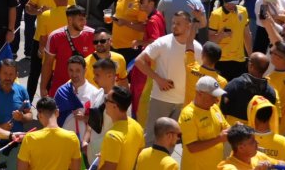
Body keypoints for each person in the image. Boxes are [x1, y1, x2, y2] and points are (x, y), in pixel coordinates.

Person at [134, 11, 201, 142]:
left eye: (178, 24)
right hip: (160, 99)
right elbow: (139, 61)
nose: (174, 26)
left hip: (183, 103)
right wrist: (158, 79)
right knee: (152, 139)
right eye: (173, 23)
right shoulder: (163, 42)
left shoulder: (197, 48)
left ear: (188, 26)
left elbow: (201, 74)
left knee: (172, 141)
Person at [41, 6, 95, 97]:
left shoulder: (93, 35)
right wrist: (43, 87)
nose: (84, 22)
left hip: (85, 90)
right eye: (80, 19)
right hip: (61, 89)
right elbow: (48, 64)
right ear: (70, 20)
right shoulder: (55, 36)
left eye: (85, 19)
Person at [178, 75, 228, 168]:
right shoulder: (188, 115)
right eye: (213, 96)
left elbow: (225, 127)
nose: (217, 100)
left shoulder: (214, 108)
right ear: (200, 93)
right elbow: (192, 147)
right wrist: (219, 139)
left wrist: (236, 129)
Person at [219, 52, 278, 127]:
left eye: (249, 60)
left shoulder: (235, 84)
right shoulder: (271, 92)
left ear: (251, 66)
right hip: (254, 132)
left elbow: (222, 107)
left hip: (232, 129)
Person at [54, 55, 102, 142]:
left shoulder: (94, 93)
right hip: (63, 139)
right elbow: (53, 117)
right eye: (71, 70)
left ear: (85, 70)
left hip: (85, 141)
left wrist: (84, 118)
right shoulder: (61, 91)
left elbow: (99, 121)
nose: (74, 74)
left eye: (78, 70)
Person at [208, 0, 252, 81]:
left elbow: (247, 34)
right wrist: (221, 35)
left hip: (239, 60)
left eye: (234, 2)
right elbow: (210, 40)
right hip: (221, 61)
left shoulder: (243, 11)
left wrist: (250, 55)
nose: (231, 5)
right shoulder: (216, 15)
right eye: (228, 2)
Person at [97, 86, 143, 170]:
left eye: (106, 100)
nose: (104, 103)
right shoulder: (137, 126)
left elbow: (109, 168)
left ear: (115, 106)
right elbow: (138, 157)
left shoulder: (112, 136)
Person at [217, 123, 285, 170]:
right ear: (241, 148)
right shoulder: (228, 167)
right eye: (252, 142)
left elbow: (279, 163)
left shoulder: (258, 156)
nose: (257, 143)